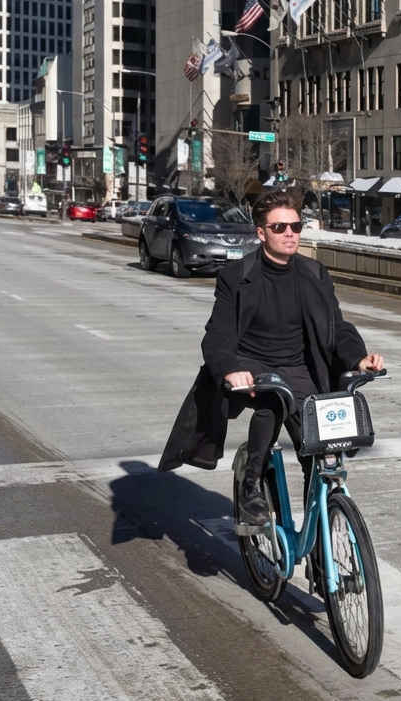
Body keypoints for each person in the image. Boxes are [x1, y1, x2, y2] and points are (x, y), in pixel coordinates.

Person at [159, 191, 384, 524]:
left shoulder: (315, 272)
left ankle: (321, 552)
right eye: (280, 227)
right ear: (261, 232)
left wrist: (358, 359)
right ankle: (251, 484)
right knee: (272, 402)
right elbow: (218, 334)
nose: (290, 233)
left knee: (319, 453)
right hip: (253, 367)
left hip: (300, 369)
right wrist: (230, 369)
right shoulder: (236, 276)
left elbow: (336, 327)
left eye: (295, 225)